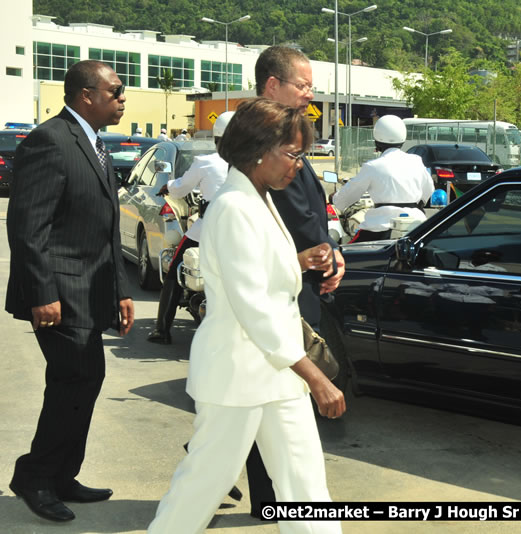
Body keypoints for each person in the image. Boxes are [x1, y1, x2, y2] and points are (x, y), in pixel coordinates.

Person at [147, 97, 345, 534]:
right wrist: (315, 376)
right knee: (203, 485)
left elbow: (257, 276)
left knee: (305, 485)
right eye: (293, 154)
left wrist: (297, 261)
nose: (299, 164)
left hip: (275, 374)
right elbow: (252, 305)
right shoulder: (235, 207)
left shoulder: (256, 197)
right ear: (258, 150)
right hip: (238, 374)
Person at [5, 60, 135, 523]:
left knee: (84, 381)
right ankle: (36, 478)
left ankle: (60, 474)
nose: (122, 99)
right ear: (86, 94)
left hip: (91, 289)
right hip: (59, 292)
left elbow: (105, 228)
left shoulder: (95, 144)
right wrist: (42, 293)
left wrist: (120, 289)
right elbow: (26, 227)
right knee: (72, 382)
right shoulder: (50, 141)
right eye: (116, 91)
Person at [254, 43, 346, 520]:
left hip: (305, 276)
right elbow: (265, 229)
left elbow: (314, 211)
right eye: (303, 85)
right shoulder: (260, 146)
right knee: (284, 391)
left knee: (264, 399)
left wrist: (335, 255)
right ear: (274, 85)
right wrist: (302, 261)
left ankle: (265, 493)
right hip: (277, 285)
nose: (310, 94)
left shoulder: (290, 137)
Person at [147, 111, 233, 344]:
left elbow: (180, 189)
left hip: (207, 230)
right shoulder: (254, 164)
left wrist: (168, 187)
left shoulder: (206, 163)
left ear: (216, 138)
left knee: (175, 269)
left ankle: (162, 330)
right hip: (241, 234)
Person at [332, 114, 434, 242]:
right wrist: (417, 205)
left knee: (349, 255)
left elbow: (349, 194)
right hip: (416, 225)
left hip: (379, 227)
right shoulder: (416, 161)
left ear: (377, 140)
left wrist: (336, 199)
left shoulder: (372, 166)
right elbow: (429, 188)